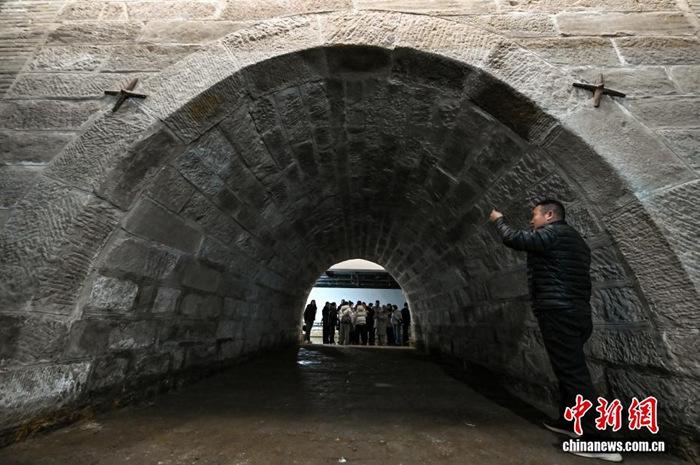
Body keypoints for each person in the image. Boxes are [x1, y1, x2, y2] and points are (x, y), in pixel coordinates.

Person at [489, 199, 622, 463]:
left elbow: (515, 239)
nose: (531, 221)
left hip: (559, 312)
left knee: (574, 374)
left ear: (549, 215)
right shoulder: (576, 241)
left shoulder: (553, 233)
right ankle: (570, 421)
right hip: (577, 312)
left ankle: (598, 439)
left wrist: (498, 220)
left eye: (534, 215)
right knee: (567, 369)